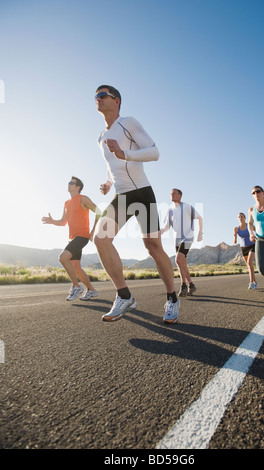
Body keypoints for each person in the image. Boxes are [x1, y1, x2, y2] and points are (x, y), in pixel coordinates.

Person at [94, 85, 180, 324]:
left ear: (116, 101)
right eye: (95, 97)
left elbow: (154, 152)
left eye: (102, 95)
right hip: (121, 195)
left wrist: (126, 155)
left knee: (152, 247)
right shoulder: (100, 137)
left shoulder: (128, 122)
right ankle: (125, 296)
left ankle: (172, 298)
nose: (97, 99)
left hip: (141, 192)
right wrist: (108, 183)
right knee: (100, 238)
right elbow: (112, 164)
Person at [42, 176, 101, 301]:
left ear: (77, 187)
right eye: (68, 182)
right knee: (76, 267)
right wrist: (52, 221)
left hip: (82, 236)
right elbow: (63, 222)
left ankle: (76, 286)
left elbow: (99, 211)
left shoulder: (83, 199)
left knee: (63, 258)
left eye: (71, 183)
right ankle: (91, 290)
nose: (68, 185)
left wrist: (93, 230)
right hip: (72, 238)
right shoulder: (66, 203)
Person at [161, 188, 203, 297]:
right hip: (177, 240)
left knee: (178, 259)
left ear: (180, 195)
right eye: (170, 193)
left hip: (188, 237)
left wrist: (200, 233)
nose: (171, 195)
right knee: (182, 264)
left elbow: (199, 218)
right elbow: (166, 227)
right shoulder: (169, 210)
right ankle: (191, 285)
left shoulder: (188, 207)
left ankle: (183, 285)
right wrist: (159, 232)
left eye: (174, 193)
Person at [233, 212, 257, 289]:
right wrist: (235, 236)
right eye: (239, 217)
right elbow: (235, 241)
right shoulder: (236, 228)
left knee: (250, 263)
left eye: (242, 217)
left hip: (252, 245)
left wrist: (256, 237)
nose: (240, 218)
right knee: (249, 266)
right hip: (244, 248)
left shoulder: (249, 225)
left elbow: (258, 231)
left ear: (245, 218)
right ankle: (255, 282)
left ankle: (251, 283)